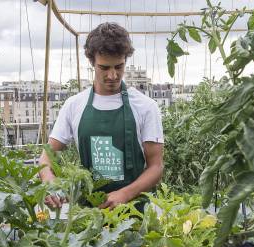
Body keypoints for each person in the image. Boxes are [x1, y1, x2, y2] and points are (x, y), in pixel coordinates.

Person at [38, 22, 164, 210]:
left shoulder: (145, 106)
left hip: (135, 212)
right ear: (92, 63)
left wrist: (125, 193)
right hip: (88, 212)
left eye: (119, 67)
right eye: (104, 68)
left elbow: (156, 167)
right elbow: (46, 157)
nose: (113, 75)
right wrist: (51, 183)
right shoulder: (74, 105)